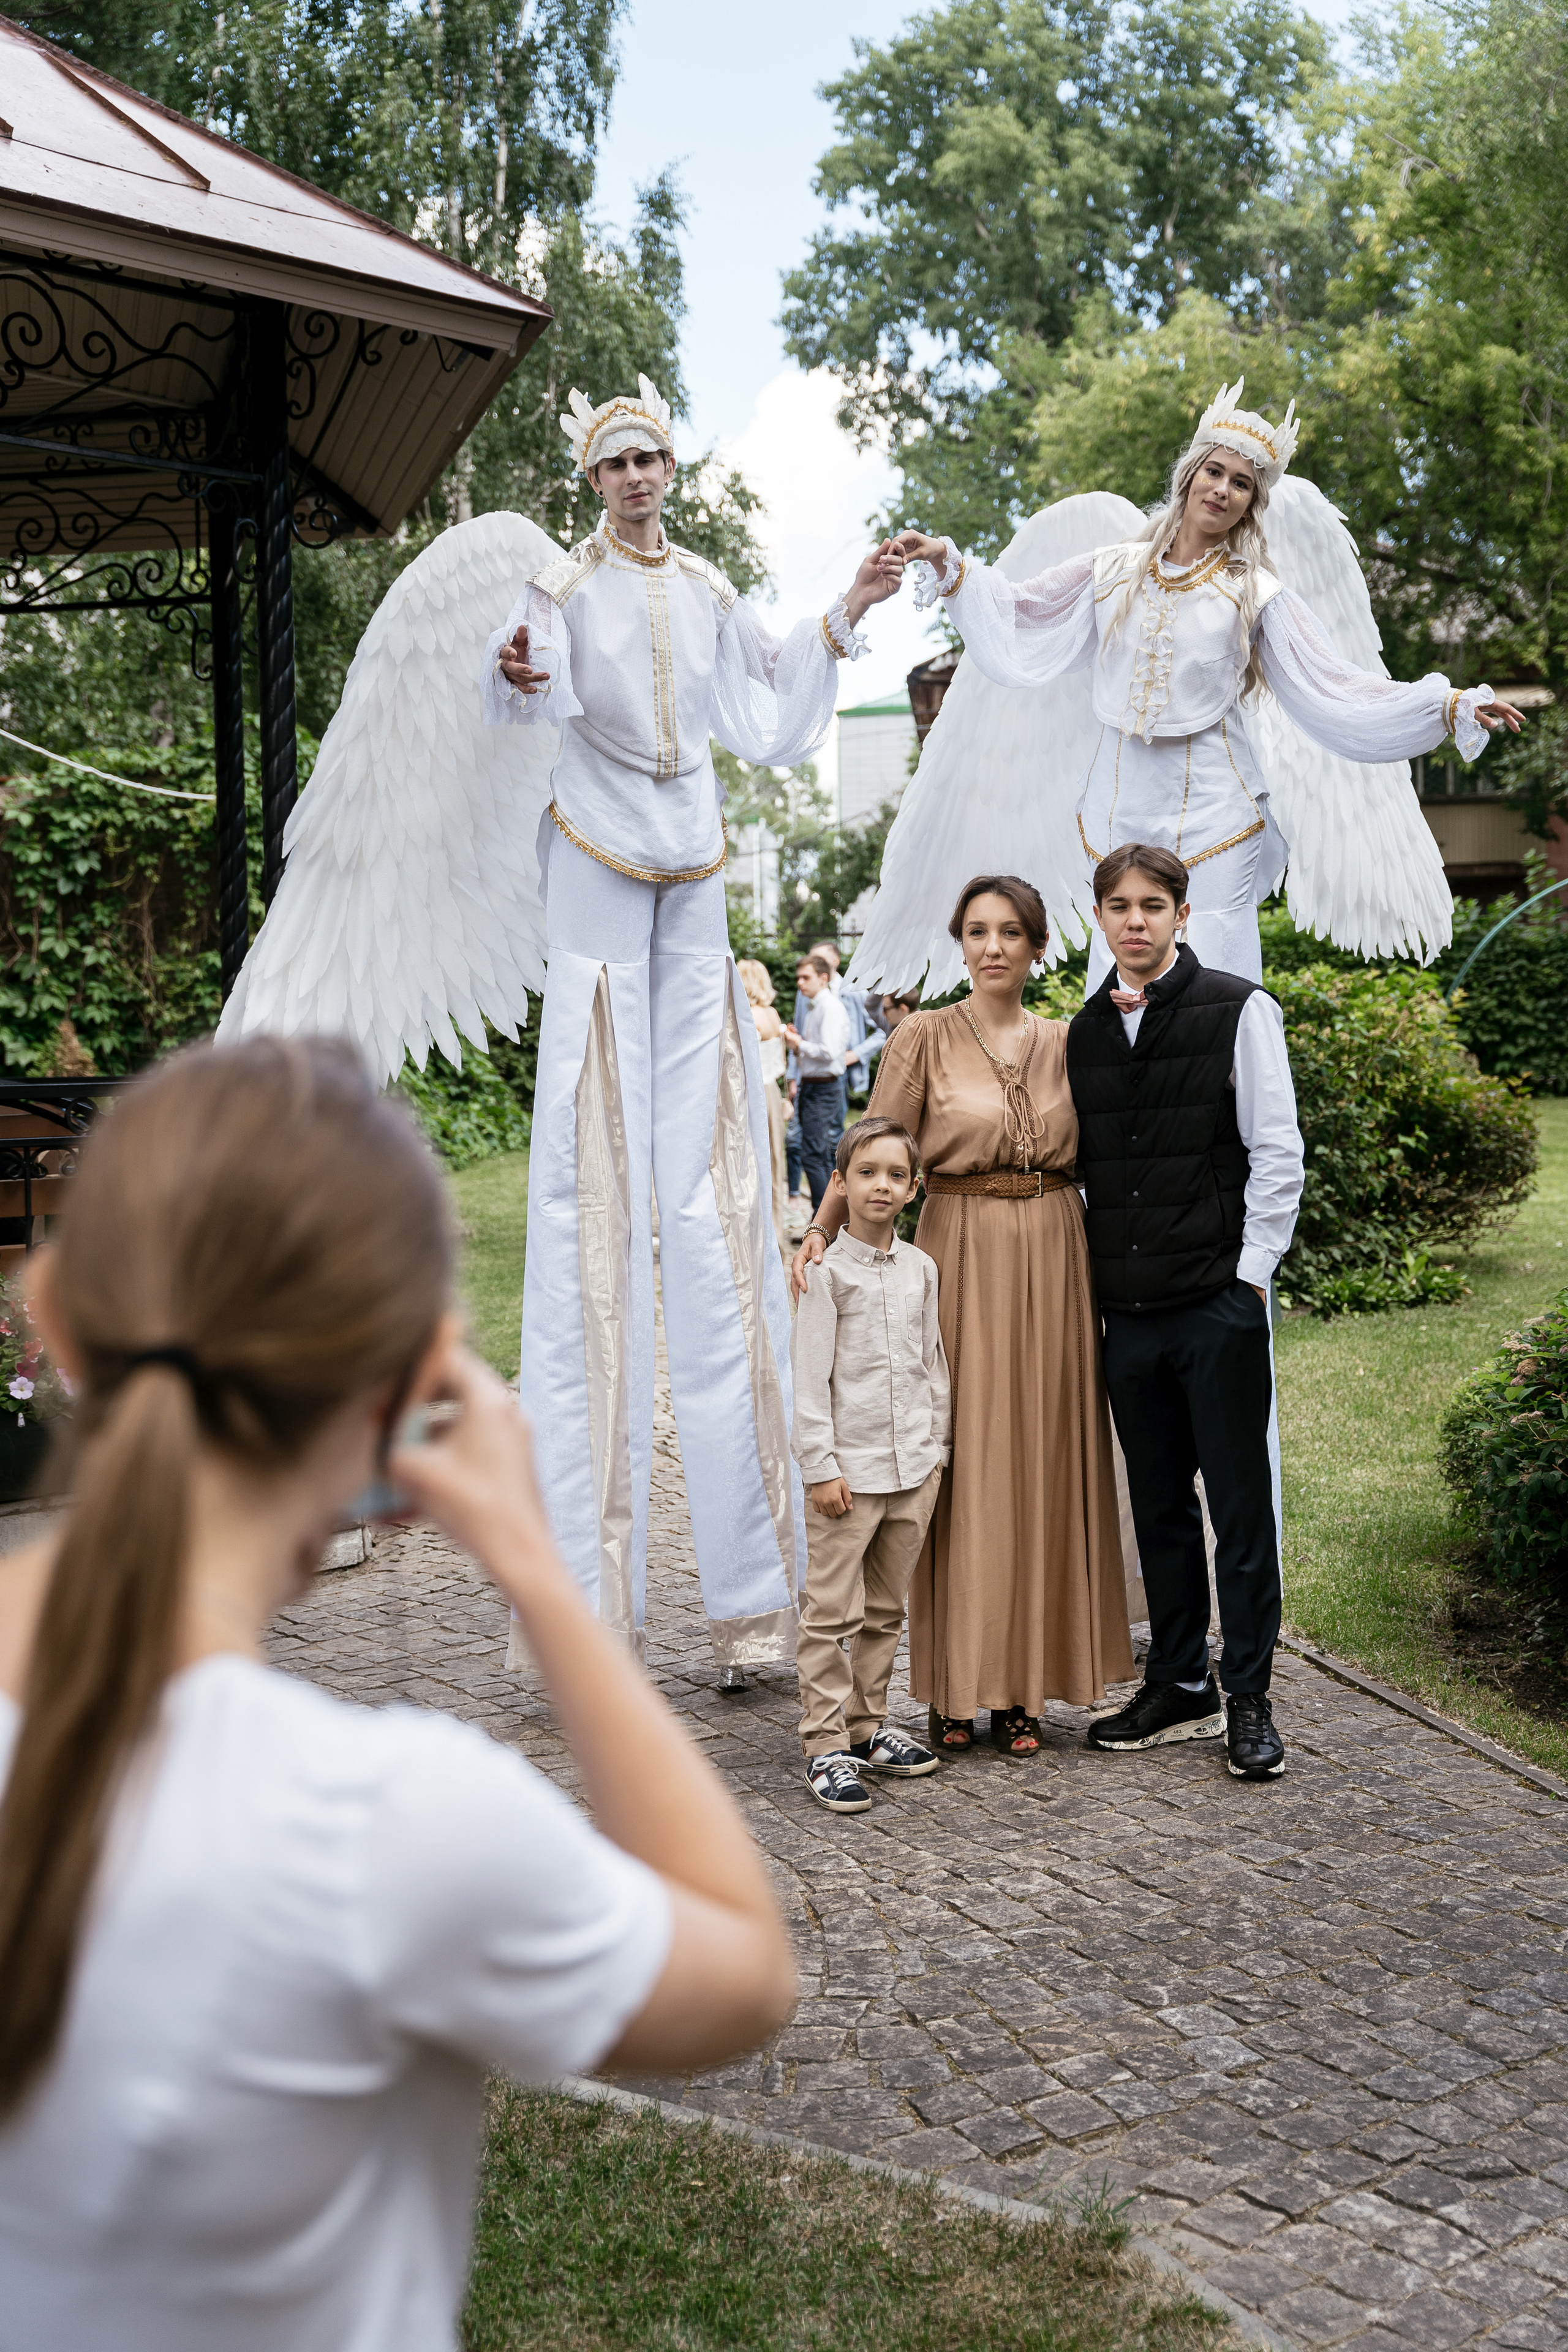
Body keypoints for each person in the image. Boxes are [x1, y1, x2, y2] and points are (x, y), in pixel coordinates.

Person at [0, 1038, 795, 2352]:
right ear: (411, 1383)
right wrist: (541, 1576)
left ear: (61, 1322)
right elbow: (742, 1971)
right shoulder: (383, 1824)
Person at [219, 374, 905, 1686]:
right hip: (594, 876)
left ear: (671, 470)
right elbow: (518, 702)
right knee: (588, 1211)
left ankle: (757, 1598)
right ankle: (583, 1615)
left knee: (713, 1215)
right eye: (616, 463)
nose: (637, 478)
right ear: (592, 481)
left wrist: (847, 610)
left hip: (693, 875)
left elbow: (764, 697)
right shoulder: (556, 586)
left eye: (652, 457)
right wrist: (517, 671)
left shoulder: (702, 590)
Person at [868, 380, 1525, 997]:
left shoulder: (1256, 592)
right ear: (1189, 476)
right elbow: (1021, 612)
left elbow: (1334, 686)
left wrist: (1445, 704)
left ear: (1251, 502)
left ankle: (1232, 1108)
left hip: (1217, 810)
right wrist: (950, 565)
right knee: (1121, 978)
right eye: (1214, 472)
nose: (1223, 489)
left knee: (1217, 976)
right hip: (1118, 806)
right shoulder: (1113, 568)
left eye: (1241, 483)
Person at [793, 875, 1133, 1758]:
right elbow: (869, 1148)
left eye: (1012, 932)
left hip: (1058, 1254)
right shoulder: (923, 1037)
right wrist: (819, 1235)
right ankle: (954, 1686)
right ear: (960, 941)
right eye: (978, 931)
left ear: (1036, 947)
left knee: (1042, 1460)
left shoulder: (1069, 1042)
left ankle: (1024, 1688)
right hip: (959, 1254)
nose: (993, 946)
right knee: (963, 1463)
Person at [1068, 845, 1305, 1782]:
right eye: (1119, 906)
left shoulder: (1240, 1009)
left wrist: (1248, 1277)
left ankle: (1248, 1694)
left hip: (1215, 1304)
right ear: (1100, 918)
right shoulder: (1081, 1031)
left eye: (1152, 905)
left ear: (1181, 914)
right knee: (1158, 1508)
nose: (1135, 921)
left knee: (1240, 1510)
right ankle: (1179, 1682)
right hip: (1127, 1315)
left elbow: (1276, 1148)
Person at [790, 1118, 950, 1814]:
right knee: (831, 1614)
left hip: (913, 1471)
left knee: (885, 1611)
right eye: (865, 1172)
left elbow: (932, 1365)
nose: (880, 1185)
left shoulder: (922, 1268)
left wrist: (935, 1448)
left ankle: (866, 1727)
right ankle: (823, 1743)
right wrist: (820, 1467)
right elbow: (807, 1379)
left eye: (894, 1175)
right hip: (847, 1481)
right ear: (839, 1184)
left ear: (913, 1189)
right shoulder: (824, 1274)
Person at [783, 951, 853, 1214]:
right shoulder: (816, 1006)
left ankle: (823, 1219)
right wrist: (798, 1045)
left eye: (806, 977)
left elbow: (830, 1052)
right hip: (813, 1085)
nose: (800, 983)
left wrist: (799, 1044)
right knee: (818, 1153)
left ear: (823, 979)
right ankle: (825, 1218)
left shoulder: (830, 1007)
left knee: (813, 1154)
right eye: (798, 978)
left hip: (824, 1088)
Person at [737, 959, 790, 1254]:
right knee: (774, 1163)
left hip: (752, 1092)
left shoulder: (747, 1016)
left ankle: (755, 1239)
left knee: (751, 1163)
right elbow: (780, 1064)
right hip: (771, 1089)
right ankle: (777, 1238)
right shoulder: (771, 1013)